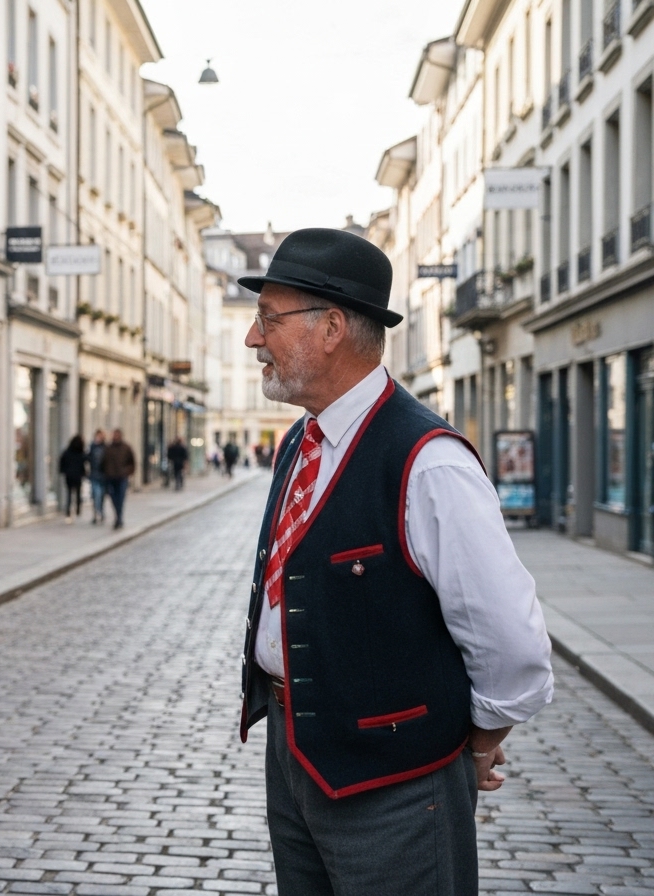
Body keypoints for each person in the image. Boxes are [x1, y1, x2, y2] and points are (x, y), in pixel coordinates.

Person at [235, 228, 553, 895]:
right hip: (293, 758)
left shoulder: (428, 461)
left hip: (395, 786)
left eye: (269, 319)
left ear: (331, 327)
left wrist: (474, 743)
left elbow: (512, 644)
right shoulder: (300, 441)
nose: (253, 338)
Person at [100, 428, 136, 529]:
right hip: (110, 477)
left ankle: (119, 518)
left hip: (122, 477)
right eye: (114, 435)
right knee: (113, 498)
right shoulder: (108, 448)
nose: (115, 437)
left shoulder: (126, 447)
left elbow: (132, 461)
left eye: (117, 435)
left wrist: (128, 472)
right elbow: (103, 462)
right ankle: (118, 516)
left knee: (120, 498)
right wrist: (104, 473)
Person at [58, 434, 87, 523]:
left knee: (69, 494)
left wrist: (63, 471)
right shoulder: (81, 452)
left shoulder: (67, 452)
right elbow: (84, 462)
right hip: (77, 476)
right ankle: (77, 509)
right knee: (78, 493)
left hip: (69, 475)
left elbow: (62, 461)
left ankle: (68, 511)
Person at [87, 429, 108, 524]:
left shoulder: (106, 447)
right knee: (96, 495)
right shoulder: (92, 446)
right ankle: (96, 513)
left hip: (103, 476)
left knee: (101, 496)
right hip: (94, 475)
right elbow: (88, 458)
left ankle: (101, 512)